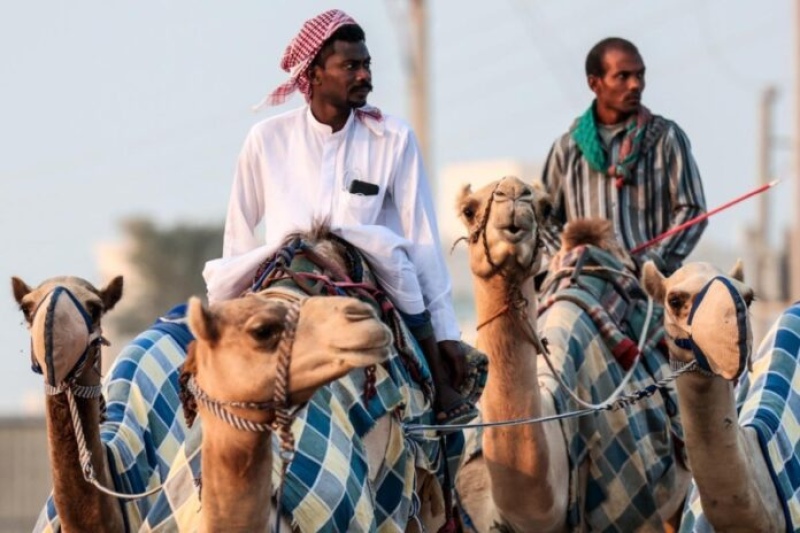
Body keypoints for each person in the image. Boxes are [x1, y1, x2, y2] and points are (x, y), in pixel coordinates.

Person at [202, 9, 474, 424]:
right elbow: (239, 231)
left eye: (367, 65)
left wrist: (447, 333)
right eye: (350, 66)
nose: (364, 75)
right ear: (314, 74)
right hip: (286, 268)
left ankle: (439, 391)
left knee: (401, 266)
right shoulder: (267, 139)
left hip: (367, 271)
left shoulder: (393, 138)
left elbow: (422, 240)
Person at [541, 37, 707, 276]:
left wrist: (654, 260)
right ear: (594, 83)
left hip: (649, 283)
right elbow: (543, 218)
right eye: (622, 76)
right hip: (582, 282)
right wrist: (567, 256)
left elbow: (692, 209)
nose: (635, 85)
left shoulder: (666, 137)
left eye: (640, 75)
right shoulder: (567, 148)